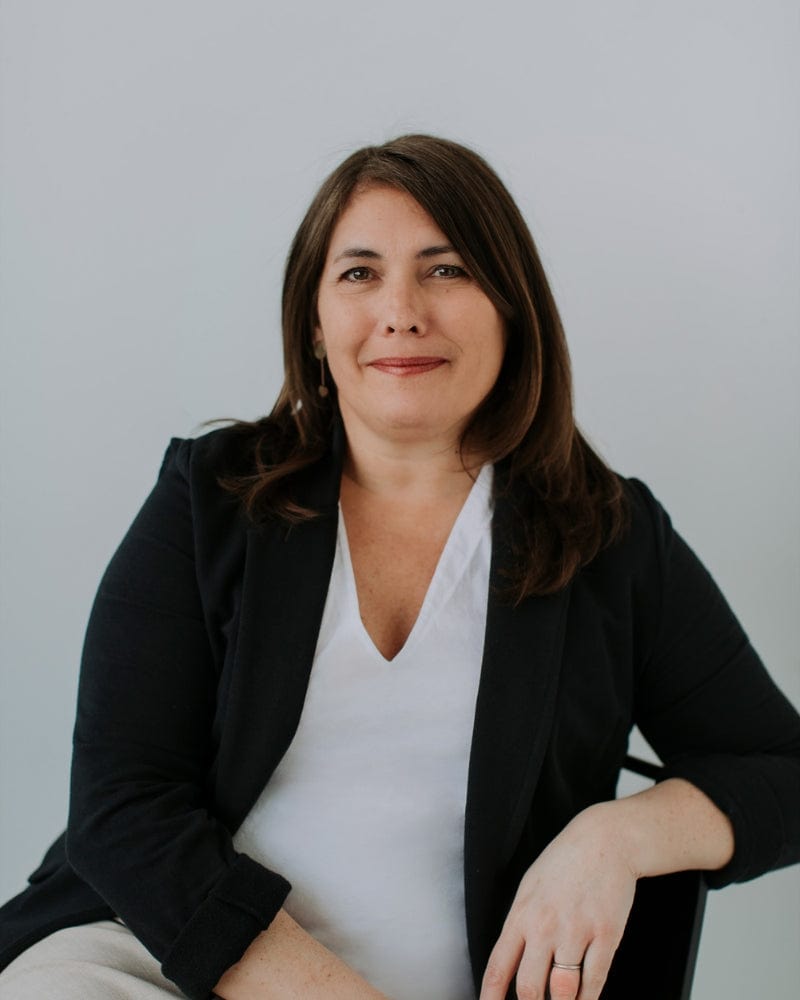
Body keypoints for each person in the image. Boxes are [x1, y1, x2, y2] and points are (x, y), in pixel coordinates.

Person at [0, 134, 798, 1000]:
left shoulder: (608, 536)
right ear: (313, 323)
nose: (402, 310)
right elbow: (123, 810)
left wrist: (615, 838)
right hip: (159, 967)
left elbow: (782, 772)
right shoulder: (210, 500)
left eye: (447, 269)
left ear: (512, 307)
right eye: (359, 273)